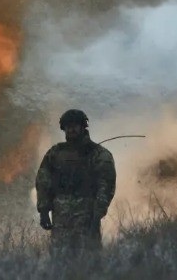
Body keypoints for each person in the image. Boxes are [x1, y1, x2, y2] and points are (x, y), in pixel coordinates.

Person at [35, 108, 116, 254]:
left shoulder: (98, 154)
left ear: (82, 126)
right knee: (60, 260)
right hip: (61, 218)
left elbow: (106, 185)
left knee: (88, 260)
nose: (71, 129)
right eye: (67, 126)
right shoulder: (55, 153)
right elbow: (43, 181)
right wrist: (44, 210)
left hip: (86, 217)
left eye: (75, 125)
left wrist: (97, 214)